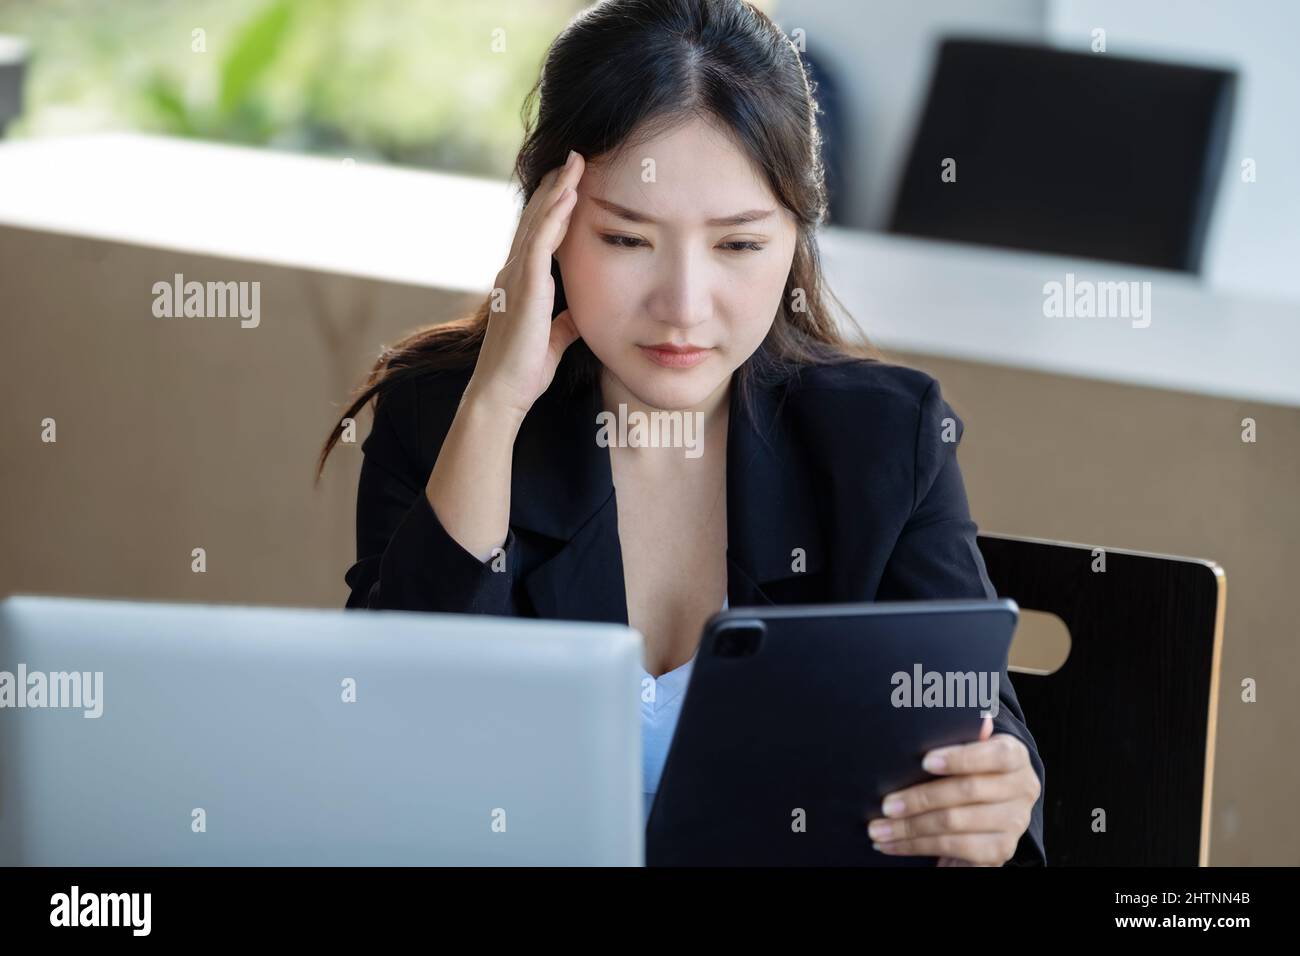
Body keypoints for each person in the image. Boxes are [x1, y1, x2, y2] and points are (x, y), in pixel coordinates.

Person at [316, 0, 1044, 866]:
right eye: (627, 239)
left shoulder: (886, 438)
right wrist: (496, 408)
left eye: (738, 247)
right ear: (545, 225)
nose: (685, 308)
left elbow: (980, 724)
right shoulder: (442, 417)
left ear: (794, 236)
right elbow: (395, 745)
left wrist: (997, 797)